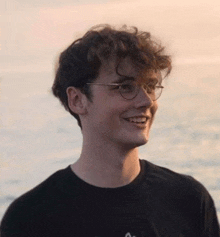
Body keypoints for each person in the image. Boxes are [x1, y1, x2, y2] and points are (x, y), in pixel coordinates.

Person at [1, 24, 219, 237]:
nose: (146, 101)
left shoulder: (188, 199)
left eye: (150, 87)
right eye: (125, 87)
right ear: (77, 100)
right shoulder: (30, 219)